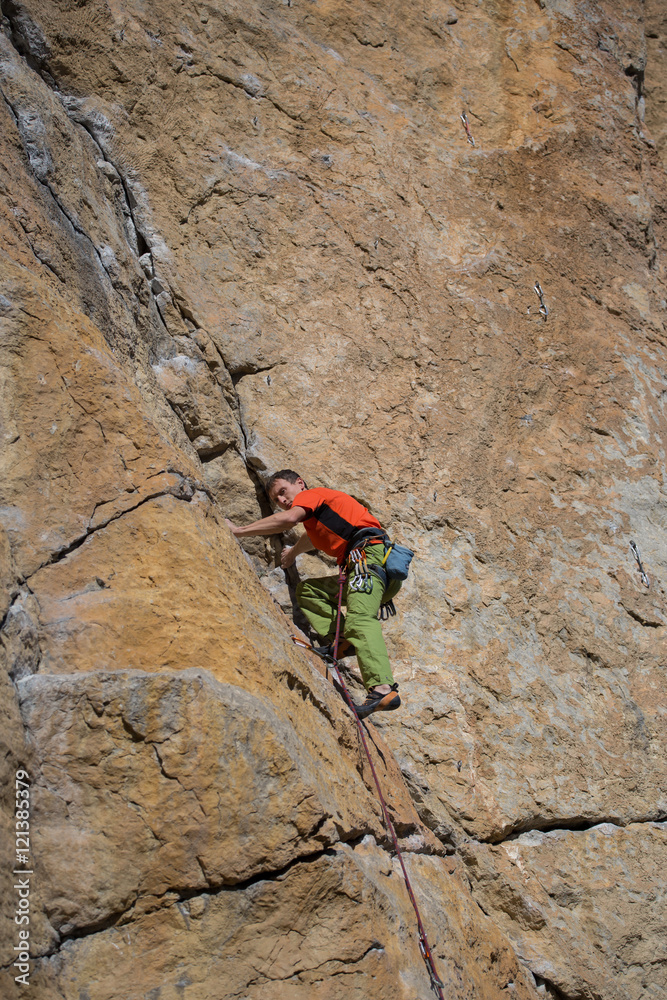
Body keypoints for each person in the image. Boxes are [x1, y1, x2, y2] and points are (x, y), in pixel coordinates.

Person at [225, 470, 402, 719]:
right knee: (309, 591)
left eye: (283, 492)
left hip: (367, 561)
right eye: (277, 500)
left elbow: (289, 519)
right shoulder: (321, 513)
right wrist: (294, 553)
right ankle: (343, 640)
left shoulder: (312, 496)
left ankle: (383, 688)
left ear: (300, 483)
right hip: (369, 567)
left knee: (361, 619)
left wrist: (240, 530)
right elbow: (311, 537)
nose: (282, 501)